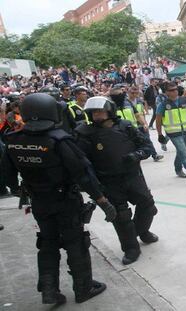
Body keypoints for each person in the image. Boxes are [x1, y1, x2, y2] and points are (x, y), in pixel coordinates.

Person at [3, 93, 116, 304]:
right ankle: (84, 288)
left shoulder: (13, 140)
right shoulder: (59, 140)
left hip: (38, 201)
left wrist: (25, 189)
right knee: (76, 242)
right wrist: (101, 200)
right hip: (65, 200)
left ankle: (49, 290)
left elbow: (8, 175)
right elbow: (83, 173)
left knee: (47, 242)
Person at [76, 96, 159, 265]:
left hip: (132, 175)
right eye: (93, 112)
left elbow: (147, 147)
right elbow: (83, 161)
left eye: (100, 111)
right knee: (121, 216)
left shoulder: (126, 126)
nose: (97, 115)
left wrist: (136, 155)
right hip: (108, 181)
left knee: (148, 205)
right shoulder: (85, 133)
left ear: (109, 111)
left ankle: (142, 231)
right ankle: (130, 247)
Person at [156, 82, 186, 184]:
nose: (175, 91)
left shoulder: (184, 100)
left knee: (181, 151)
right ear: (166, 93)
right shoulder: (162, 105)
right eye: (172, 90)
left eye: (176, 89)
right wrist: (160, 134)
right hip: (173, 133)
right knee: (184, 153)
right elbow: (158, 121)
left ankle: (178, 169)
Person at [110, 86, 163, 162]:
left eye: (122, 93)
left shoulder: (129, 102)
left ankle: (154, 155)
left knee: (146, 140)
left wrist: (144, 123)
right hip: (121, 132)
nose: (135, 94)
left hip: (134, 128)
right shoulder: (110, 107)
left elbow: (138, 114)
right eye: (119, 94)